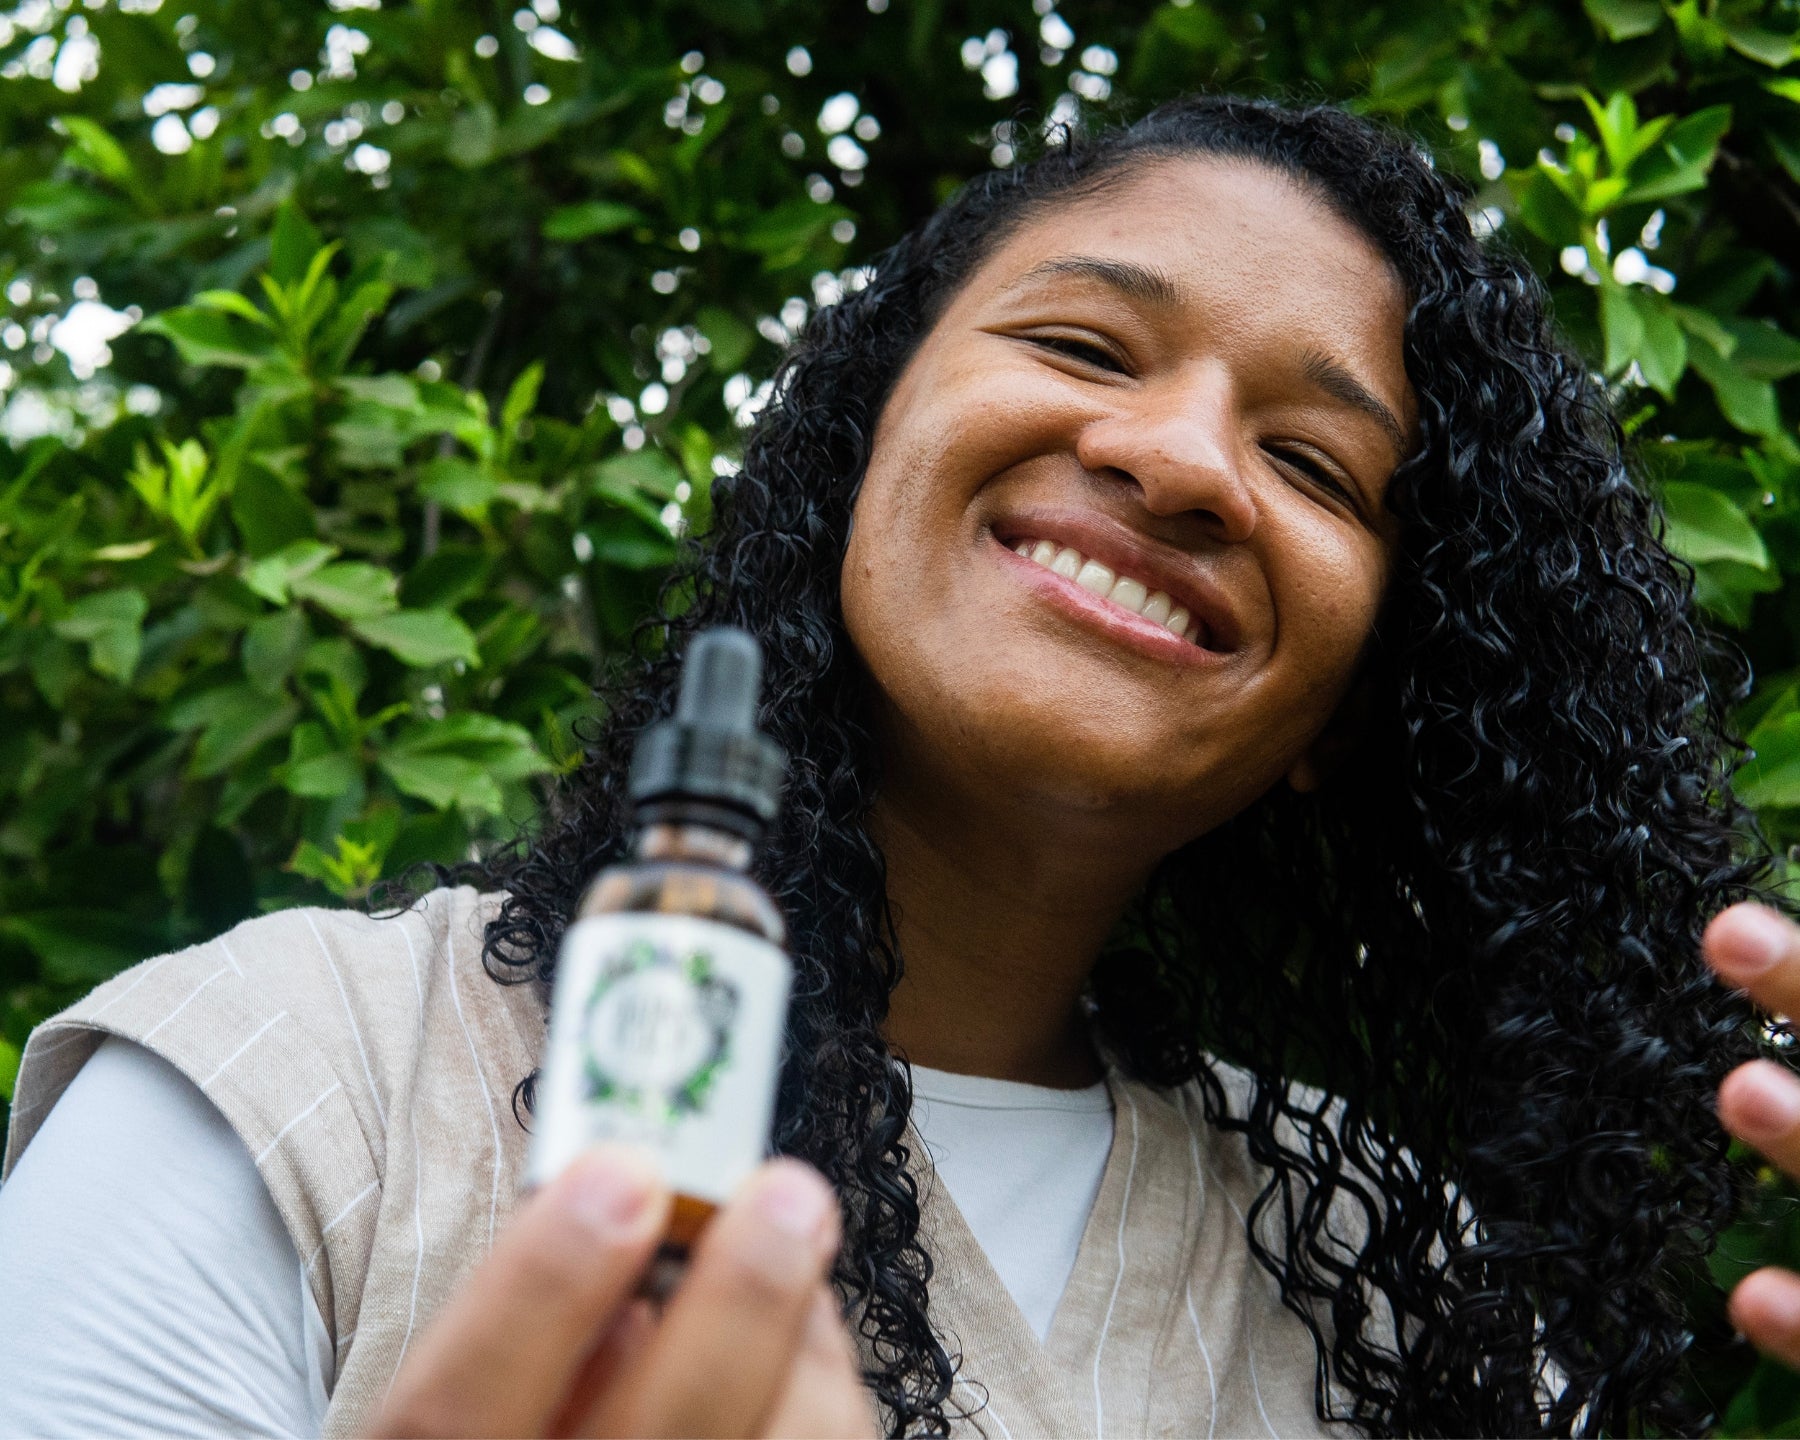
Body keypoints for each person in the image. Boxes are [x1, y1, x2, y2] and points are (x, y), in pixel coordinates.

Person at [1, 91, 1795, 1439]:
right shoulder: (296, 1090)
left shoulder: (1399, 1289)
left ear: (1350, 710)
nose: (1179, 461)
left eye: (1318, 468)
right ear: (860, 447)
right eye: (1085, 345)